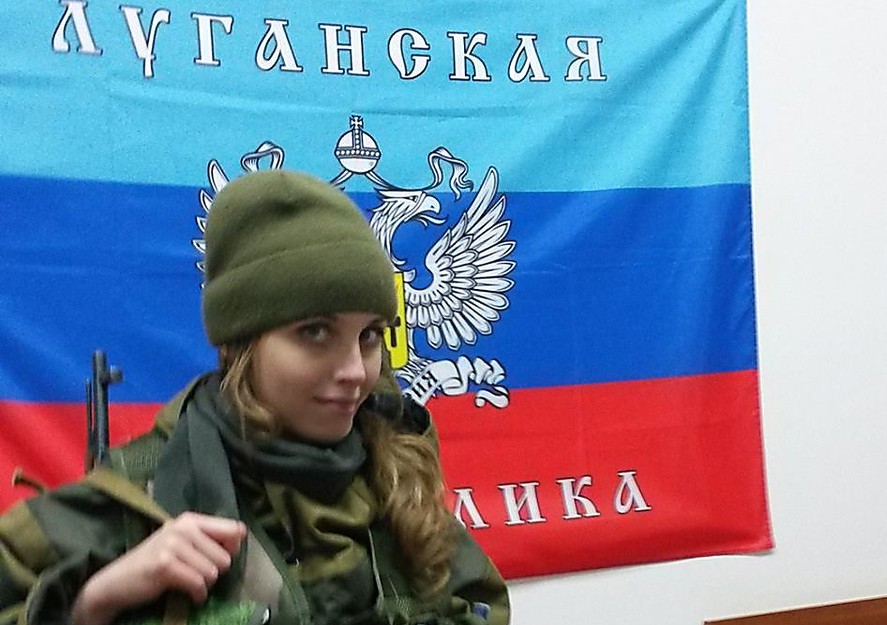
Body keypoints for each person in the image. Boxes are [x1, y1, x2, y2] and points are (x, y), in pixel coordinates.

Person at [0, 170, 510, 625]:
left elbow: (479, 603)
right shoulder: (146, 497)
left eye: (370, 335)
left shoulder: (395, 472)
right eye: (315, 332)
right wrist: (93, 603)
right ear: (242, 342)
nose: (355, 371)